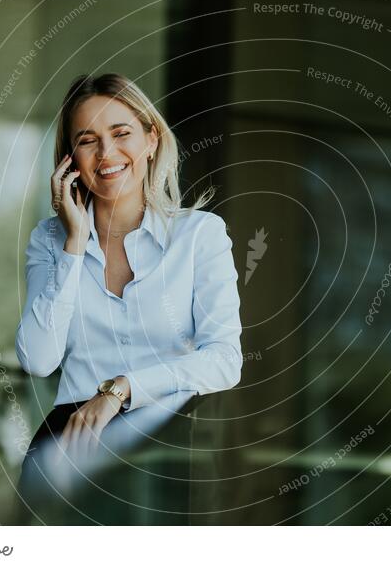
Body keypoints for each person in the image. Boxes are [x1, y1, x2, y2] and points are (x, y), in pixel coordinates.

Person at [14, 73, 242, 521]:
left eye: (122, 134)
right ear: (69, 160)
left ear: (151, 140)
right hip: (66, 451)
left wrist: (121, 390)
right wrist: (75, 243)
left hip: (164, 450)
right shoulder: (50, 241)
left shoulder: (199, 236)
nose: (107, 154)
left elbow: (224, 360)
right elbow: (38, 360)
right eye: (88, 140)